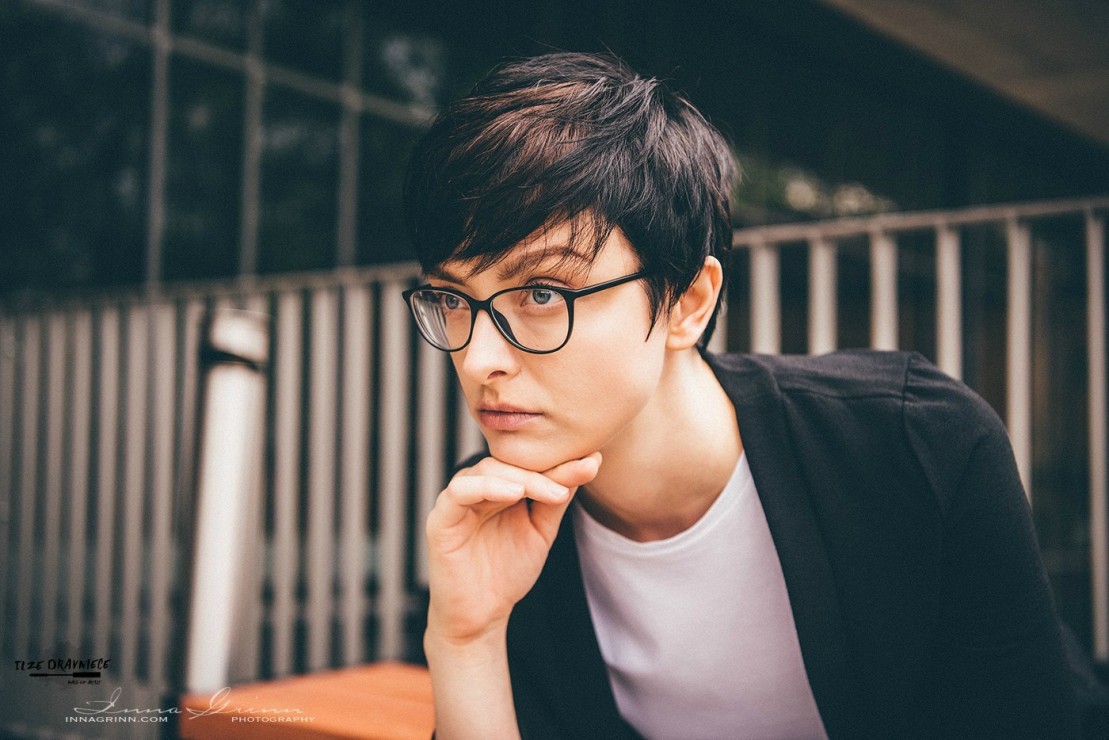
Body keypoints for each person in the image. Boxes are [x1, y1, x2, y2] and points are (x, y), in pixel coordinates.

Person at [401, 51, 1079, 739]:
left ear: (687, 303)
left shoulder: (909, 444)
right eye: (452, 298)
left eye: (543, 294)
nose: (477, 359)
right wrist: (467, 639)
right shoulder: (498, 517)